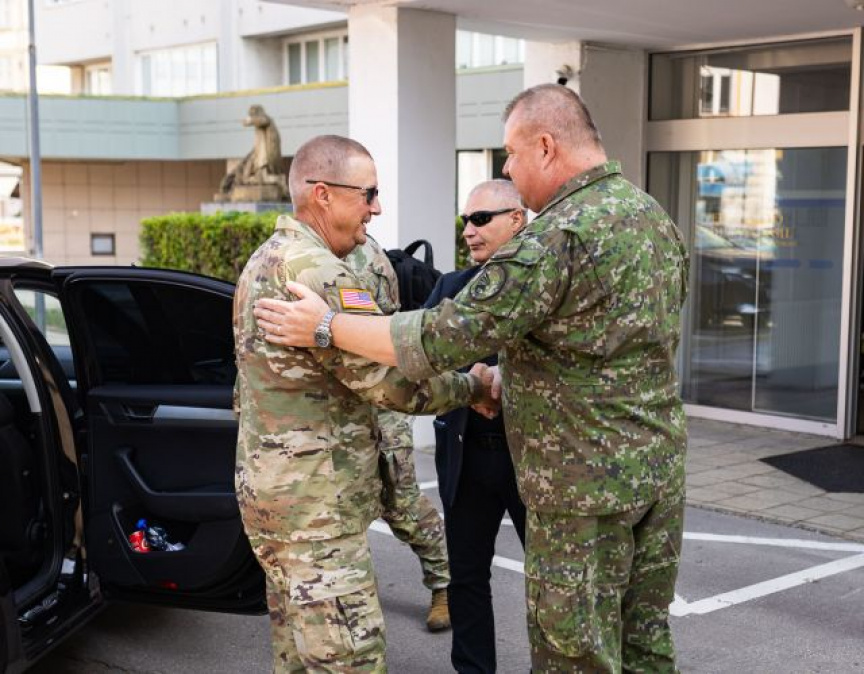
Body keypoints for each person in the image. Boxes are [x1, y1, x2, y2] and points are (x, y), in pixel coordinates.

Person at [254, 84, 690, 673]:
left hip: (584, 490)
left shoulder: (556, 237)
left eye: (510, 153)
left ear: (545, 146)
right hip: (656, 473)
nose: (507, 168)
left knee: (576, 656)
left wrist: (327, 325)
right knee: (644, 644)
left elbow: (436, 339)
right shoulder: (651, 216)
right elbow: (617, 341)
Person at [233, 134, 495, 672]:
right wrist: (472, 387)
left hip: (275, 500)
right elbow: (393, 383)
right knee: (350, 658)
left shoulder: (264, 260)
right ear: (323, 194)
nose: (377, 208)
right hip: (319, 510)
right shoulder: (319, 273)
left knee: (297, 655)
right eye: (368, 194)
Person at [425, 179, 528, 673]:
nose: (469, 230)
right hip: (466, 457)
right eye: (466, 220)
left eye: (481, 219)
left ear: (517, 219)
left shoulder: (544, 286)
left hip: (531, 460)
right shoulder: (451, 287)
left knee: (553, 582)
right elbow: (421, 358)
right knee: (465, 577)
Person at [346, 238, 452, 632]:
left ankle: (445, 584)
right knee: (344, 503)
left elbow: (380, 333)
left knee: (401, 502)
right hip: (338, 404)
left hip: (380, 396)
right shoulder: (308, 256)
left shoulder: (368, 260)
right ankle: (350, 594)